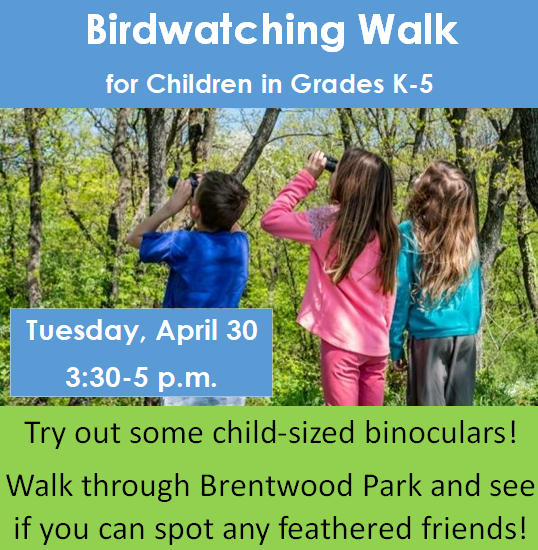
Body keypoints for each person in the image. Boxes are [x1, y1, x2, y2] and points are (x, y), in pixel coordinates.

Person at [261, 149, 399, 406]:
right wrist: (385, 331)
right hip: (377, 345)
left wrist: (306, 177)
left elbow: (271, 220)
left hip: (341, 343)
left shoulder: (326, 222)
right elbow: (389, 292)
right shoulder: (388, 231)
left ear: (348, 181)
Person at [126, 171, 250, 406]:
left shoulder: (182, 243)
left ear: (194, 211)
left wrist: (171, 207)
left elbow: (135, 238)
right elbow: (234, 224)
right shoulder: (240, 246)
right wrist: (214, 196)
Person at [389, 161, 482, 406]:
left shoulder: (409, 233)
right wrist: (471, 326)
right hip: (465, 336)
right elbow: (475, 291)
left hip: (428, 336)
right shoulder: (468, 238)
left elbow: (400, 290)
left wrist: (395, 343)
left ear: (427, 195)